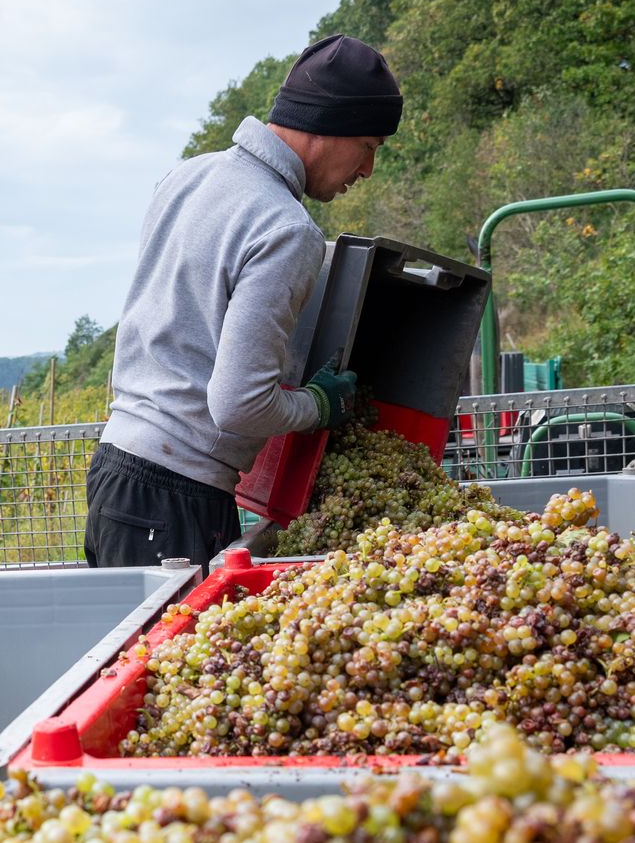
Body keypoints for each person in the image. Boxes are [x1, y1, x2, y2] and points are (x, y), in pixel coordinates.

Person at [84, 33, 401, 568]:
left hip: (115, 473)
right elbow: (238, 404)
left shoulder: (186, 176)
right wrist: (321, 405)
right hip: (175, 497)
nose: (366, 170)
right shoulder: (285, 227)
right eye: (368, 147)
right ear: (330, 126)